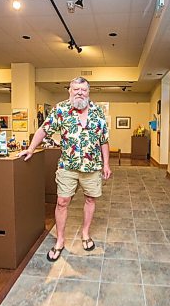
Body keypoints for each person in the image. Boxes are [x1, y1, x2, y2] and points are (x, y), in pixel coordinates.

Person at [17, 76, 112, 262]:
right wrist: (31, 148)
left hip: (92, 166)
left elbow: (104, 140)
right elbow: (44, 130)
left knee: (90, 199)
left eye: (83, 90)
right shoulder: (61, 109)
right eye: (75, 89)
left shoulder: (98, 112)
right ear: (69, 90)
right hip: (67, 165)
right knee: (62, 201)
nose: (79, 93)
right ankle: (60, 240)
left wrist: (106, 164)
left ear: (88, 92)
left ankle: (85, 233)